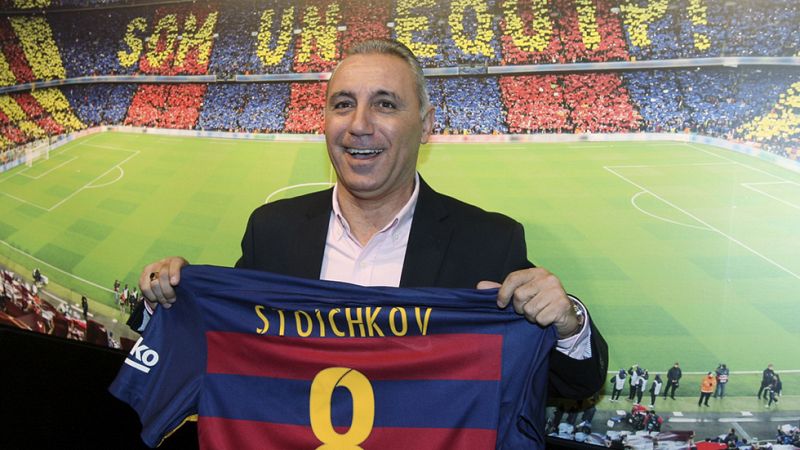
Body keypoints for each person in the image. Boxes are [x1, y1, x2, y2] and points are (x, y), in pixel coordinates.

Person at [134, 39, 607, 405]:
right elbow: (225, 350)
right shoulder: (271, 231)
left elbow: (567, 383)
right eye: (343, 104)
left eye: (385, 104)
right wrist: (171, 299)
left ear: (426, 125)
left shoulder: (489, 241)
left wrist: (567, 322)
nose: (359, 124)